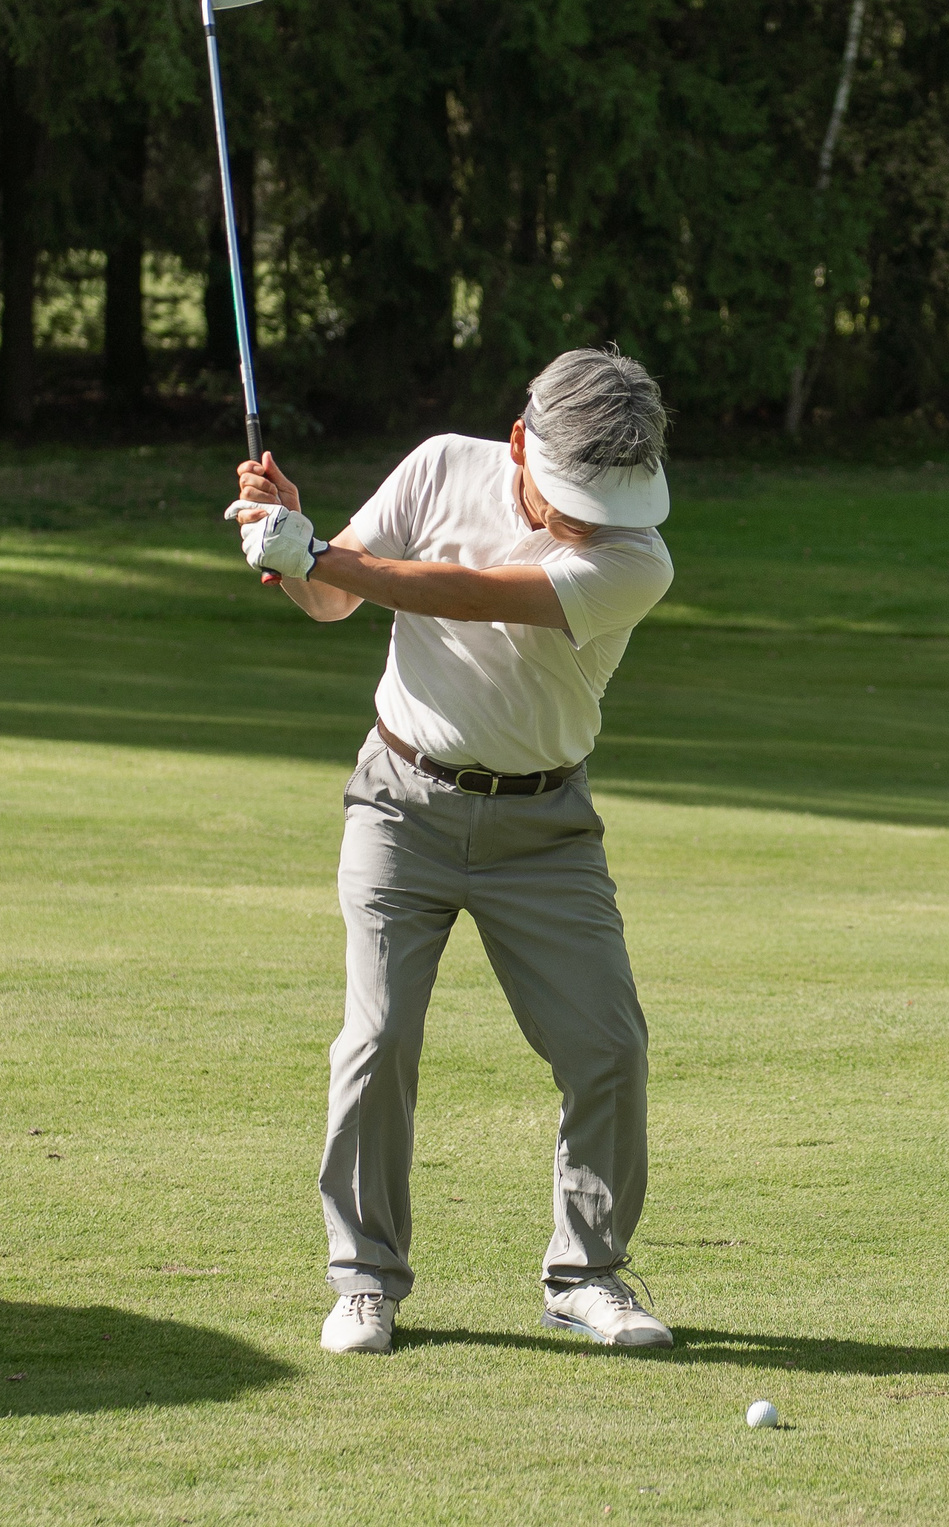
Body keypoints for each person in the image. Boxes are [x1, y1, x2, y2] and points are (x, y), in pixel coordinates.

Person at [228, 346, 677, 1357]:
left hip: (545, 831)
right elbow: (332, 600)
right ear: (519, 442)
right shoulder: (440, 467)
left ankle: (587, 1275)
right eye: (567, 494)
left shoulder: (637, 555)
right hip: (401, 805)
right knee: (377, 1040)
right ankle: (364, 1280)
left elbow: (464, 594)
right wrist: (289, 541)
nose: (583, 519)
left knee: (607, 1047)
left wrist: (316, 551)